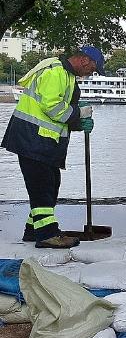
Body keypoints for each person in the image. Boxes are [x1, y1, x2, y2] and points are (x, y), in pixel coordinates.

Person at [2, 47, 104, 248]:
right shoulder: (55, 71)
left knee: (49, 185)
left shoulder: (67, 76)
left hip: (42, 140)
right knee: (42, 187)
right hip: (32, 138)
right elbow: (52, 107)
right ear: (84, 60)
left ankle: (34, 231)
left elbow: (61, 112)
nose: (91, 74)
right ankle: (47, 234)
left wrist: (77, 122)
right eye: (92, 69)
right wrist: (79, 115)